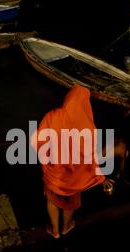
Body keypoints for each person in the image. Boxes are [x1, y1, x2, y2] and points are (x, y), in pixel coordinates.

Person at [31, 85, 105, 239]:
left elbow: (38, 141)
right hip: (75, 176)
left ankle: (55, 230)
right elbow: (91, 154)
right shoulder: (88, 125)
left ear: (68, 99)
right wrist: (100, 176)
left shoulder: (53, 115)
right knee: (70, 201)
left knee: (52, 199)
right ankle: (66, 227)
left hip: (54, 172)